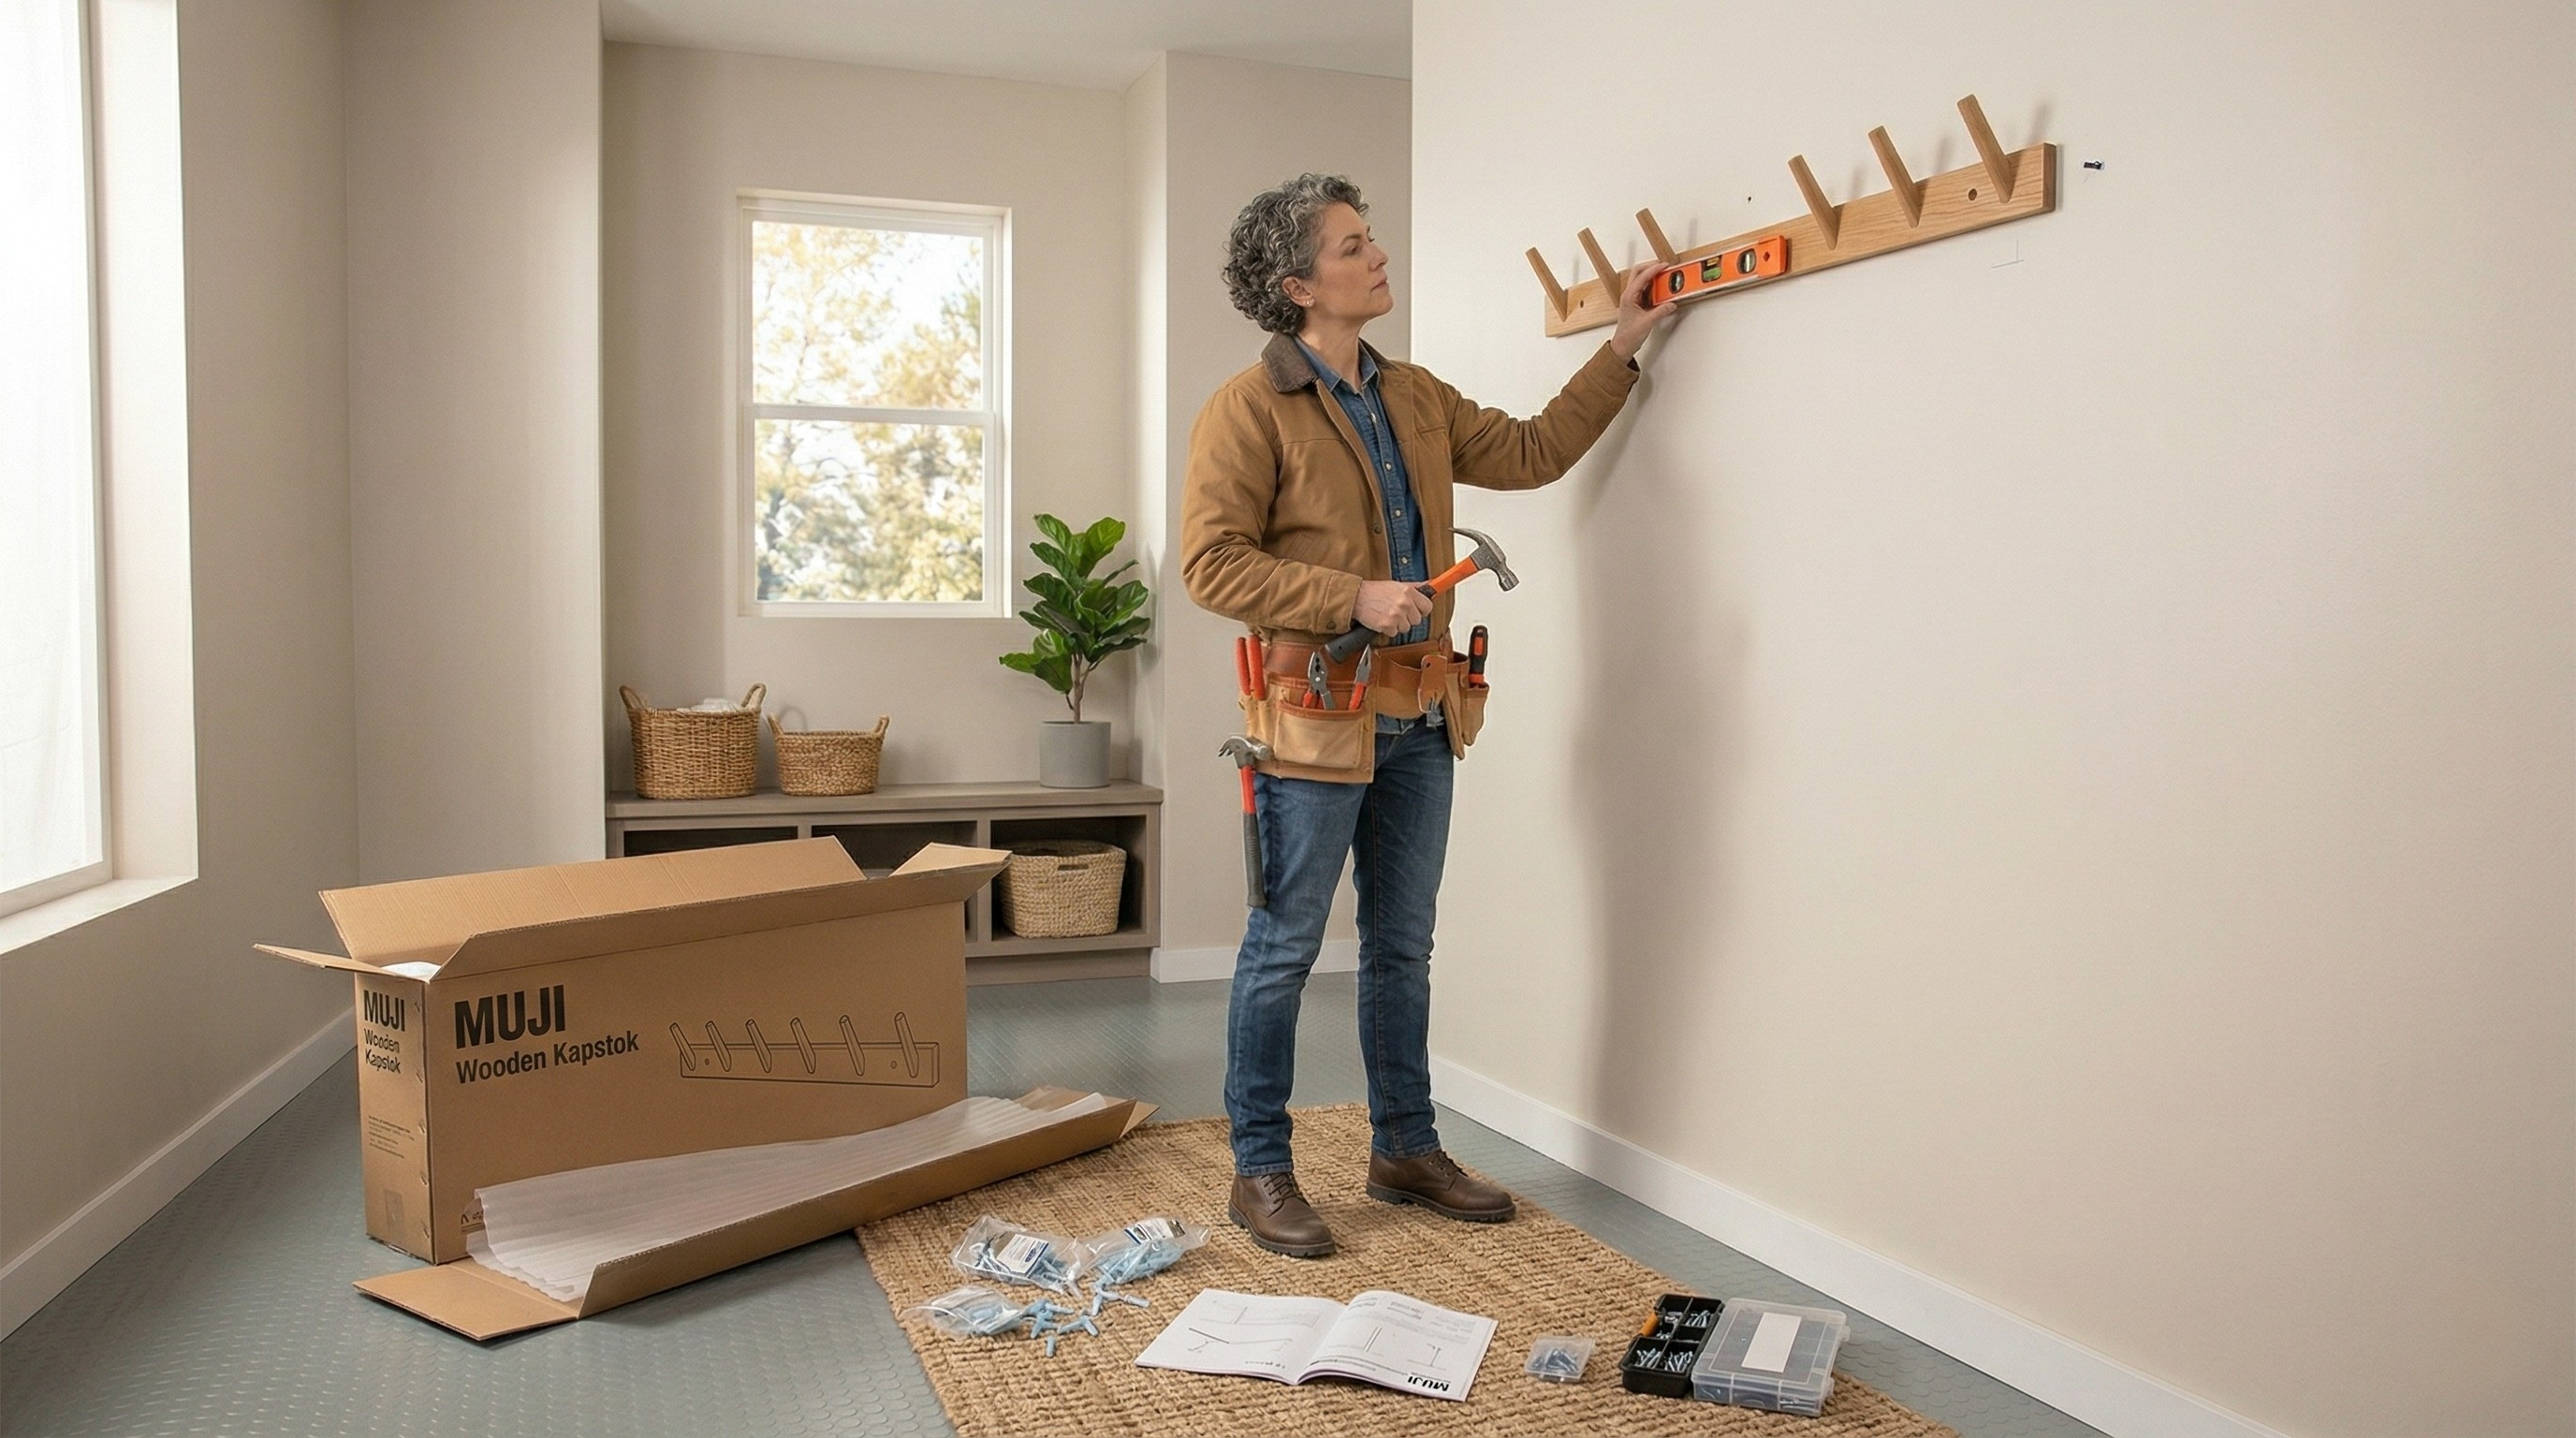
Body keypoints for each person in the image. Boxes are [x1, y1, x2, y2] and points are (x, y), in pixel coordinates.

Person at [1180, 172, 1676, 1256]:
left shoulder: (1414, 396)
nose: (1377, 256)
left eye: (1371, 239)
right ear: (1297, 285)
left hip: (1419, 715)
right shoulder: (1247, 408)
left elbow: (1534, 452)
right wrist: (1347, 596)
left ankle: (1404, 1147)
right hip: (1314, 716)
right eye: (1352, 246)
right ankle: (1259, 1171)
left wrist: (1625, 342)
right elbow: (1211, 563)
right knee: (1284, 946)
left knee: (1402, 947)